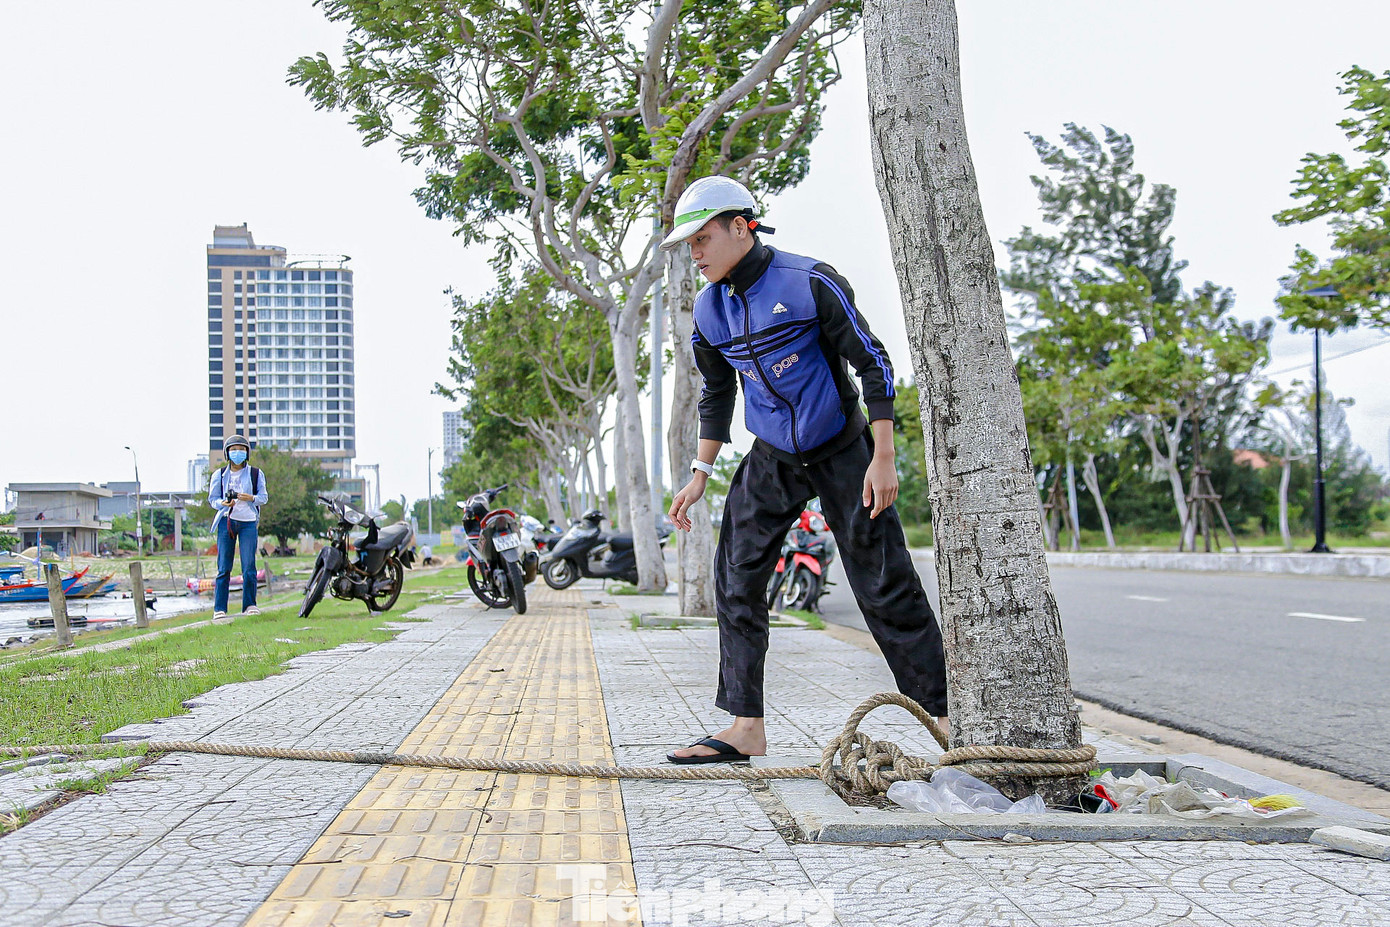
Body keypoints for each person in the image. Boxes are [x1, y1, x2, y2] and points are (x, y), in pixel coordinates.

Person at [663, 176, 949, 764]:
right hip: (771, 456)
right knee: (736, 576)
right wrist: (700, 471)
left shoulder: (809, 281)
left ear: (741, 227)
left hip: (843, 446)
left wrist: (883, 455)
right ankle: (745, 726)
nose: (694, 252)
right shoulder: (709, 310)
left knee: (882, 581)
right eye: (688, 243)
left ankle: (944, 715)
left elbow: (873, 364)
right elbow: (716, 393)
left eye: (703, 238)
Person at [208, 434, 269, 619]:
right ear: (227, 453)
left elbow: (264, 497)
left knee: (249, 565)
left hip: (248, 521)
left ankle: (249, 604)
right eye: (233, 450)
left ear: (247, 453)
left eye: (241, 450)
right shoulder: (219, 474)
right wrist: (223, 503)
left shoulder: (255, 473)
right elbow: (212, 500)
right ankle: (219, 608)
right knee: (223, 567)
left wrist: (250, 498)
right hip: (227, 521)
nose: (237, 453)